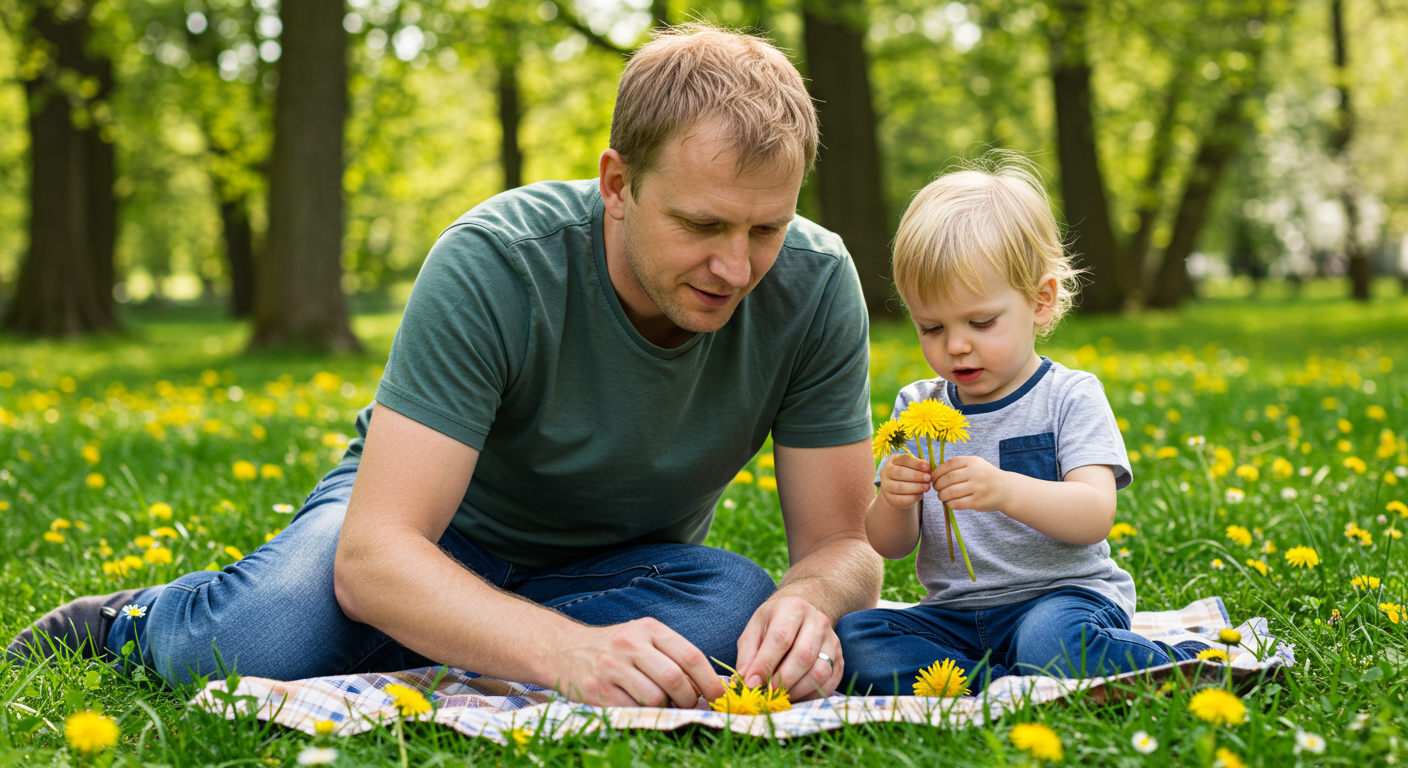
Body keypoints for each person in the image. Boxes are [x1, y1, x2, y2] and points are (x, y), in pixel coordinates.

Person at [9, 26, 883, 708]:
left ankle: (426, 645)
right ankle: (131, 623)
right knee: (261, 644)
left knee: (736, 605)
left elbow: (841, 546)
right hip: (423, 536)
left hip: (617, 571)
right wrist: (564, 651)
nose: (736, 267)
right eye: (701, 225)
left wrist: (807, 604)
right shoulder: (498, 260)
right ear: (618, 185)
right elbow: (377, 554)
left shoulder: (814, 284)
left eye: (766, 229)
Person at [835, 156, 1200, 696]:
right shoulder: (916, 406)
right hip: (955, 618)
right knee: (853, 639)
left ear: (1040, 301)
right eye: (930, 327)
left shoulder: (1068, 396)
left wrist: (1005, 490)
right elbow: (891, 546)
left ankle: (1181, 665)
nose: (956, 345)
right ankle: (1005, 684)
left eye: (981, 322)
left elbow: (1094, 515)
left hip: (1062, 601)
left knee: (1051, 642)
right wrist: (893, 499)